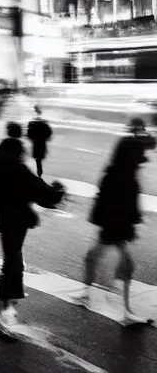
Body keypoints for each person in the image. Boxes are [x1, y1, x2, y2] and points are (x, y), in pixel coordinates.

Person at [0, 122, 66, 335]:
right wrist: (58, 192)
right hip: (19, 221)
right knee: (13, 262)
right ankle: (5, 311)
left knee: (13, 258)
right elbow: (42, 192)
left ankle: (7, 305)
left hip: (5, 221)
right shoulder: (20, 170)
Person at [82, 122, 150, 322]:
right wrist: (131, 223)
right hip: (117, 226)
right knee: (124, 264)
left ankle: (87, 294)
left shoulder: (113, 173)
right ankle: (125, 310)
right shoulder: (128, 176)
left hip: (112, 225)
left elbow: (102, 200)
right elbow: (130, 204)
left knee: (94, 258)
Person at [27, 109, 52, 176]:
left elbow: (29, 134)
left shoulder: (33, 123)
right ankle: (39, 171)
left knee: (38, 158)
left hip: (36, 142)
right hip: (42, 142)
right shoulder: (44, 124)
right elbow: (49, 133)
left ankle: (39, 171)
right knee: (39, 158)